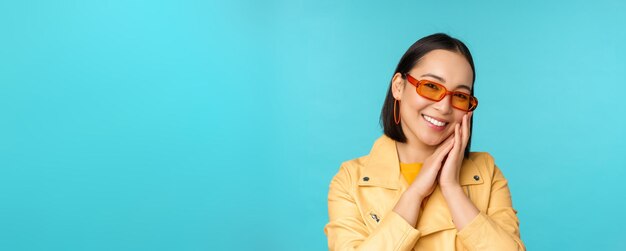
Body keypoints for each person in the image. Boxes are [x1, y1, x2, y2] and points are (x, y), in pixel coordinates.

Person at [324, 33, 525, 251]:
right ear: (398, 87)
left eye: (460, 96)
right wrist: (416, 192)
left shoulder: (486, 173)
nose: (444, 107)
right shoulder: (350, 181)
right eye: (431, 86)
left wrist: (452, 188)